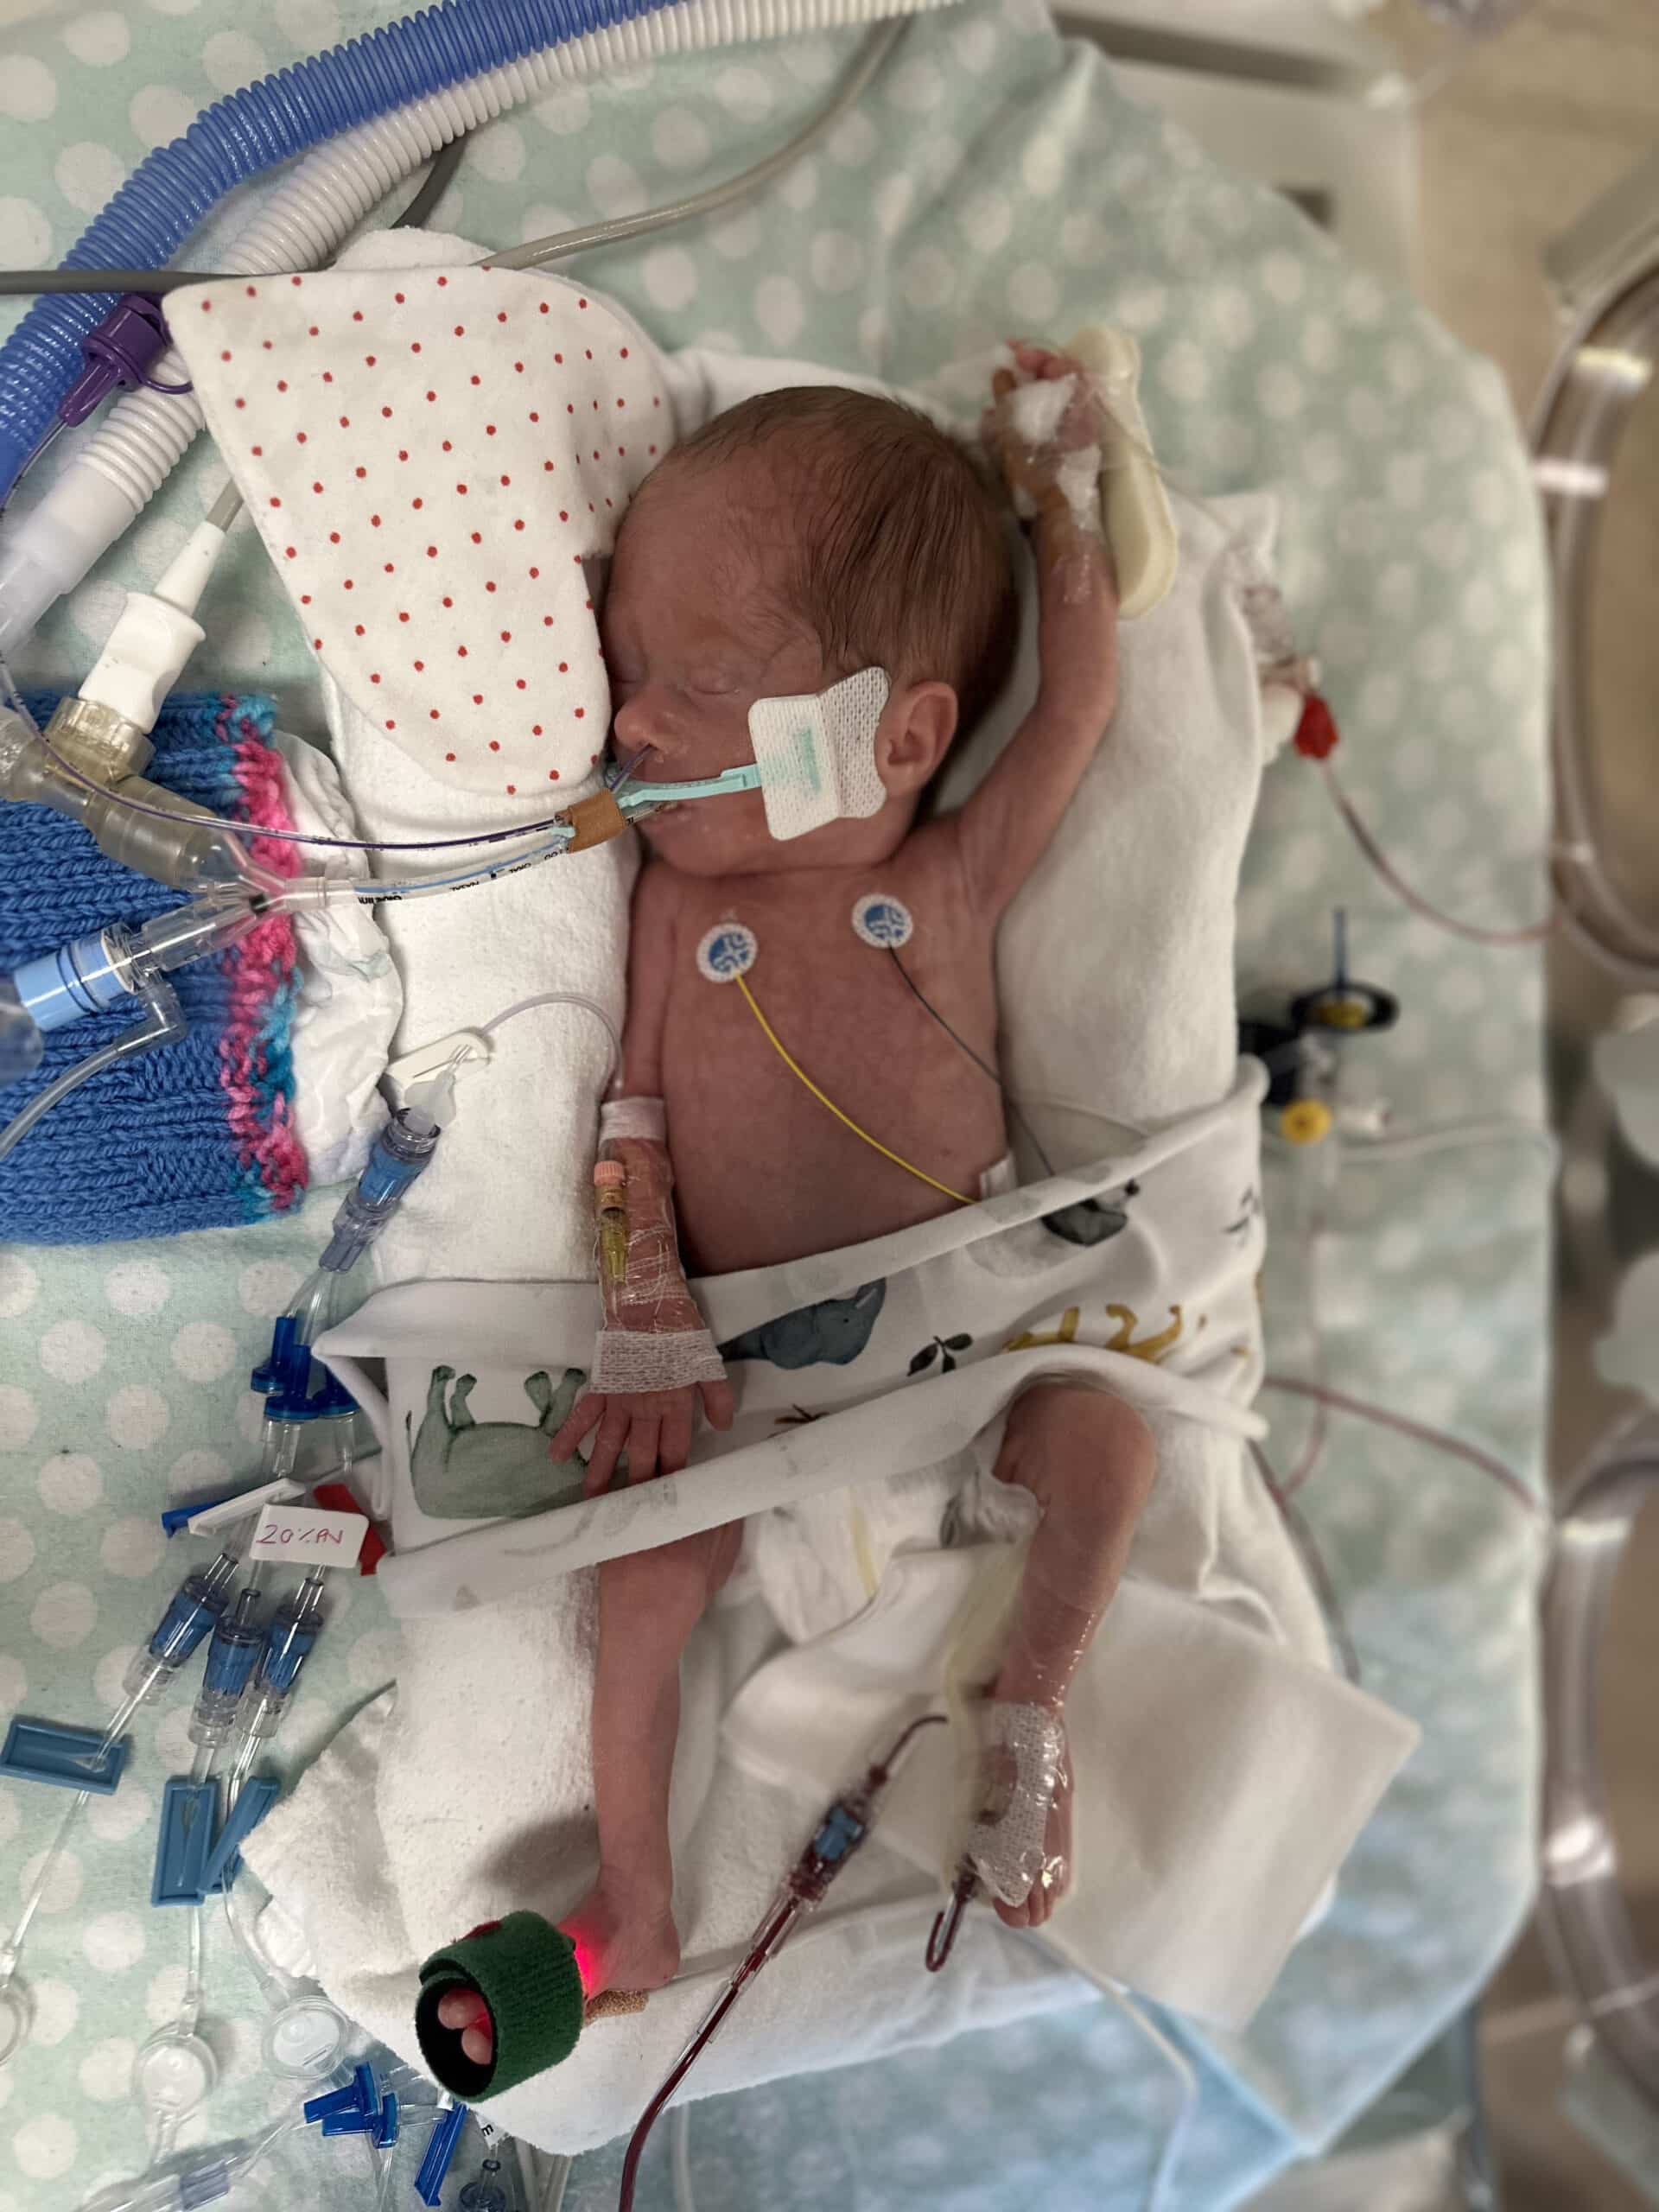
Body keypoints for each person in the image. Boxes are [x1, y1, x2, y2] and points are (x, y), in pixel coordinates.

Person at [438, 345, 1156, 2057]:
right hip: (750, 1371)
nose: (631, 722)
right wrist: (645, 1307)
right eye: (632, 672)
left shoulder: (951, 877)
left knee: (1103, 1432)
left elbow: (1077, 706)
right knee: (645, 1564)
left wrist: (1066, 491)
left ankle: (1029, 1711)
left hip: (959, 1334)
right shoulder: (671, 913)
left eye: (697, 680)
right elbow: (630, 1126)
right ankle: (636, 1890)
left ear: (894, 736)